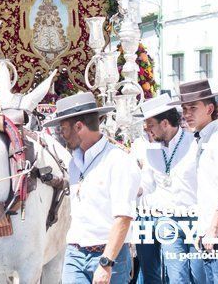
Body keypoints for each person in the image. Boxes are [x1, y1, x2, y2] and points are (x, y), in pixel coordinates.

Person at [44, 92, 140, 284]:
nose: (61, 135)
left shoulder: (118, 161)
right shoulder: (73, 163)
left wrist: (106, 262)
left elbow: (123, 218)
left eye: (63, 129)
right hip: (74, 254)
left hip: (108, 257)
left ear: (79, 126)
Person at [171, 79, 218, 283]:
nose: (187, 113)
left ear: (210, 108)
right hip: (212, 229)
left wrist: (213, 227)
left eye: (193, 108)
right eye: (184, 108)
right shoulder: (204, 139)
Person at [134, 94, 205, 284]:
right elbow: (146, 184)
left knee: (200, 277)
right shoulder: (150, 150)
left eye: (150, 125)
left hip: (197, 219)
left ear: (164, 123)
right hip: (167, 222)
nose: (148, 130)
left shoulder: (195, 144)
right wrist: (125, 188)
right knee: (177, 278)